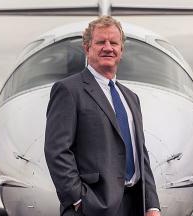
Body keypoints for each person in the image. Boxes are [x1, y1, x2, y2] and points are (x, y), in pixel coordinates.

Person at [44, 16, 161, 216]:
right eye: (100, 42)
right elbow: (57, 150)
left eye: (114, 43)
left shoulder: (131, 98)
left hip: (134, 205)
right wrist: (79, 199)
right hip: (92, 207)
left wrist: (151, 204)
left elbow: (141, 155)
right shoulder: (68, 90)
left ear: (121, 51)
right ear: (87, 48)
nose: (108, 47)